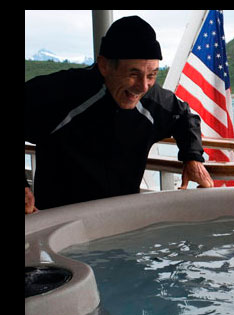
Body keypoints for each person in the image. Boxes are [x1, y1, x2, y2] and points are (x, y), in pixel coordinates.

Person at [25, 15, 213, 213]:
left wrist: (192, 158)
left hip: (121, 225)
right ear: (104, 65)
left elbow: (185, 117)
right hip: (58, 226)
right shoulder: (61, 93)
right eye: (133, 74)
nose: (143, 87)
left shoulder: (152, 100)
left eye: (152, 75)